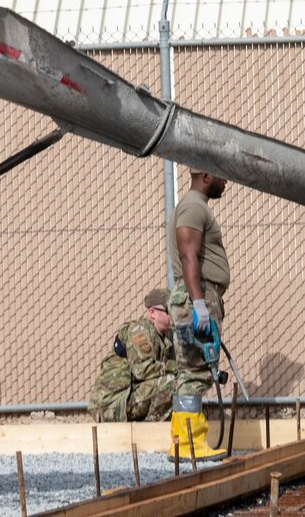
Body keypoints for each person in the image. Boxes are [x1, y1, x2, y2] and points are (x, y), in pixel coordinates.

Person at [169, 169, 233, 461]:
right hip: (198, 295)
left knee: (191, 370)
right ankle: (188, 445)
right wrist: (198, 303)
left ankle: (185, 441)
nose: (225, 182)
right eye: (221, 176)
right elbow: (188, 255)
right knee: (194, 371)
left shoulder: (195, 207)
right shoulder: (193, 207)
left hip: (200, 294)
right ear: (206, 175)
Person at [88, 289, 175, 423]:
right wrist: (179, 367)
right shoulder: (140, 330)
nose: (176, 315)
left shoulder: (162, 337)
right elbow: (143, 370)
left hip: (127, 397)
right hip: (112, 404)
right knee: (171, 383)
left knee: (175, 382)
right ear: (152, 313)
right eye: (170, 310)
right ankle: (148, 433)